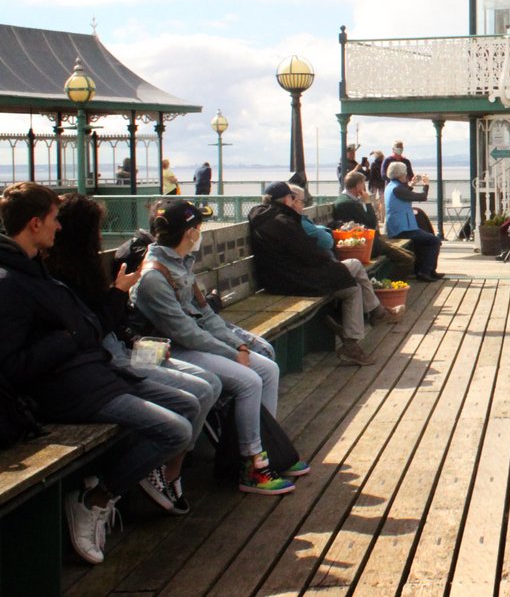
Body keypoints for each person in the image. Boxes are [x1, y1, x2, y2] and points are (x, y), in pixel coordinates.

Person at [0, 183, 197, 564]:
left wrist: (117, 294)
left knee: (188, 404)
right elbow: (11, 367)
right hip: (68, 392)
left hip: (96, 375)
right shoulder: (10, 285)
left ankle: (138, 485)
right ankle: (95, 499)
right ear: (35, 223)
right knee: (176, 429)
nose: (59, 228)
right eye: (55, 220)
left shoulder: (39, 272)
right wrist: (67, 338)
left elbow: (88, 328)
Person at [45, 194, 221, 516]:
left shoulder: (82, 268)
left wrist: (128, 321)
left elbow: (108, 325)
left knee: (206, 388)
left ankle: (169, 470)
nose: (100, 235)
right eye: (96, 228)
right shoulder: (61, 278)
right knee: (197, 395)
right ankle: (153, 473)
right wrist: (117, 294)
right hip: (105, 365)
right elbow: (94, 331)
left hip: (120, 349)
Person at [130, 200, 307, 496]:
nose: (201, 232)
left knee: (268, 369)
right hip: (169, 351)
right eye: (199, 226)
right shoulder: (154, 276)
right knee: (249, 380)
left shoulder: (179, 263)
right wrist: (232, 354)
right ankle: (252, 464)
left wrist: (240, 343)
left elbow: (206, 315)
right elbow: (184, 333)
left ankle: (267, 449)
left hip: (191, 342)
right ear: (189, 232)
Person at [249, 183, 381, 364]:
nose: (295, 201)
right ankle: (360, 332)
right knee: (352, 284)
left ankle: (361, 330)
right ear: (287, 199)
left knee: (351, 279)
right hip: (292, 278)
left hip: (278, 277)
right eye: (293, 198)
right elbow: (309, 252)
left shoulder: (262, 217)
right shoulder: (282, 221)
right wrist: (328, 261)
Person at [333, 170, 416, 281]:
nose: (364, 186)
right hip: (366, 245)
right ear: (358, 185)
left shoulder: (348, 200)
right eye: (363, 183)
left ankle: (387, 284)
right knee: (408, 259)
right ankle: (386, 286)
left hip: (369, 241)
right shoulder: (348, 203)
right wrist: (367, 202)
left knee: (410, 254)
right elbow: (372, 223)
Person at [384, 165, 443, 282]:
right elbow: (422, 196)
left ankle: (429, 270)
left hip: (400, 227)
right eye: (405, 173)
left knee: (426, 240)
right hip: (403, 229)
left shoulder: (391, 186)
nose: (406, 175)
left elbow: (404, 193)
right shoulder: (397, 189)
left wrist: (412, 183)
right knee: (434, 241)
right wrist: (426, 185)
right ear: (400, 175)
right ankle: (425, 271)